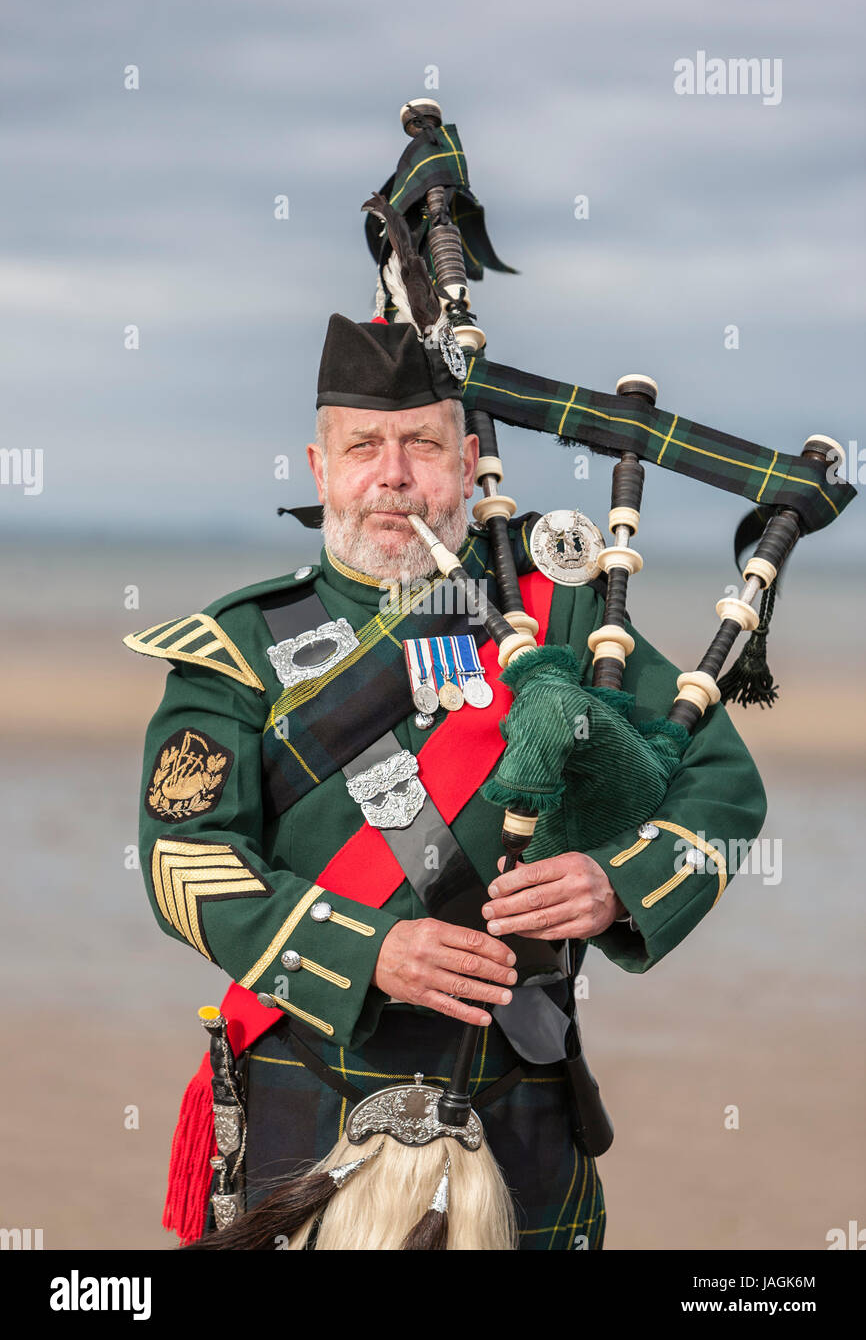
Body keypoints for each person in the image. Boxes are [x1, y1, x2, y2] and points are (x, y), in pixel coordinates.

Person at [126, 312, 766, 1250]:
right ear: (318, 468)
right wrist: (368, 953)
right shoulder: (239, 652)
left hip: (522, 1080)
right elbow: (186, 864)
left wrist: (616, 881)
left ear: (469, 463)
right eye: (364, 447)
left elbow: (719, 784)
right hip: (312, 1073)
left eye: (422, 444)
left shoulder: (561, 614)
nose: (393, 475)